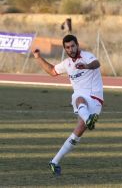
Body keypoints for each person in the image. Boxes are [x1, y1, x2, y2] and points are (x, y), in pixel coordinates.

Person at [32, 34, 103, 175]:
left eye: (73, 46)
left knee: (78, 133)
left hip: (95, 99)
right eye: (68, 47)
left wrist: (87, 66)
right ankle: (54, 162)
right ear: (65, 49)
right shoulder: (66, 64)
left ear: (77, 45)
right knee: (78, 97)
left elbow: (97, 63)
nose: (71, 49)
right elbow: (52, 71)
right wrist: (38, 58)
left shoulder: (87, 56)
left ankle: (88, 119)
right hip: (81, 97)